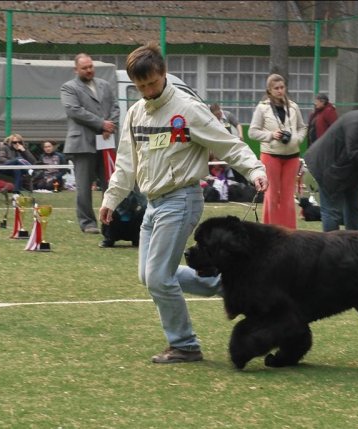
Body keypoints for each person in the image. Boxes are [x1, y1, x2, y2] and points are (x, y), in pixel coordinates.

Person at [98, 42, 268, 364]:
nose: (148, 90)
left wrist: (255, 169)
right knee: (149, 277)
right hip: (153, 203)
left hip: (181, 199)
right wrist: (111, 198)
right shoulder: (135, 114)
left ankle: (185, 345)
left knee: (160, 278)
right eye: (141, 86)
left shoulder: (187, 108)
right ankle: (233, 283)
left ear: (163, 73)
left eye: (152, 82)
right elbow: (125, 164)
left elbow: (228, 143)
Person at [61, 53, 120, 234]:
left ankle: (110, 222)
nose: (88, 70)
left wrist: (110, 126)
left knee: (110, 183)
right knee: (84, 187)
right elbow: (74, 110)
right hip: (82, 143)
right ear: (76, 69)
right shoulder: (69, 88)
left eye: (90, 67)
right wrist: (101, 124)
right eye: (84, 68)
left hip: (106, 142)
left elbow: (115, 108)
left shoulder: (105, 85)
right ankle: (87, 223)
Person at [248, 73, 306, 229]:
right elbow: (252, 132)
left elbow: (302, 128)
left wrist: (297, 139)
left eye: (282, 87)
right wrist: (271, 135)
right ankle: (270, 231)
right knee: (272, 195)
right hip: (270, 155)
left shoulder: (293, 107)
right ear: (269, 90)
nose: (280, 91)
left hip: (292, 156)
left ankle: (289, 232)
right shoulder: (262, 108)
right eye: (276, 88)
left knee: (288, 197)